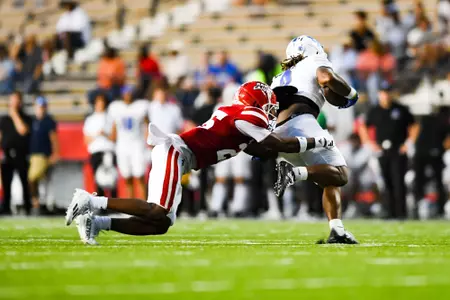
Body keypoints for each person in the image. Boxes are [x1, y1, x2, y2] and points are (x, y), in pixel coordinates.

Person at [65, 81, 334, 244]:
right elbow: (276, 144)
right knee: (157, 211)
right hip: (177, 151)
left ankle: (96, 223)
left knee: (160, 224)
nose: (271, 111)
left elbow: (263, 149)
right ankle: (90, 201)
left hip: (182, 156)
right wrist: (316, 142)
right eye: (269, 105)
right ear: (256, 103)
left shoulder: (239, 116)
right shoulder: (250, 115)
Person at [268, 35, 359, 244]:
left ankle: (337, 230)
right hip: (301, 122)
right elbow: (326, 78)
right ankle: (294, 173)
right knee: (341, 175)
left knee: (329, 178)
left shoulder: (281, 76)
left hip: (278, 133)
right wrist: (352, 94)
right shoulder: (314, 61)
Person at [359, 81, 418, 219]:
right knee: (386, 182)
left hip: (398, 150)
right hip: (382, 150)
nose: (385, 95)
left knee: (398, 181)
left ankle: (401, 213)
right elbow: (363, 126)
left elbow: (414, 125)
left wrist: (408, 143)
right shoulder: (375, 110)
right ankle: (389, 212)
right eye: (383, 92)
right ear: (380, 94)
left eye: (387, 92)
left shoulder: (401, 109)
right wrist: (370, 143)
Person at [107, 86, 149, 199]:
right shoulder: (116, 107)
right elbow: (114, 128)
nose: (128, 95)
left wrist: (148, 139)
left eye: (130, 93)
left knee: (140, 176)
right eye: (126, 93)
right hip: (123, 146)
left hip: (137, 145)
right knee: (127, 178)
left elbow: (147, 124)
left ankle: (144, 206)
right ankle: (131, 208)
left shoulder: (140, 106)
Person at [0, 91, 32, 215]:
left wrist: (14, 115)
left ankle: (27, 207)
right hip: (7, 154)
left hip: (21, 154)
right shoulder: (3, 119)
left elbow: (23, 130)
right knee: (6, 182)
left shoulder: (26, 118)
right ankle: (6, 207)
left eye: (17, 100)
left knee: (24, 181)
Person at [28, 96, 59, 212]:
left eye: (42, 106)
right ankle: (40, 203)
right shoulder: (33, 120)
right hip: (33, 155)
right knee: (42, 180)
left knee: (33, 178)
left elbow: (53, 138)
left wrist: (55, 153)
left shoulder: (48, 121)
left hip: (43, 155)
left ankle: (38, 202)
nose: (41, 109)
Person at [83, 93, 117, 198]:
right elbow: (87, 140)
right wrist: (97, 135)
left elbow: (114, 137)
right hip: (96, 152)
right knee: (99, 179)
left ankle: (114, 204)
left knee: (111, 180)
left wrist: (105, 135)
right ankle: (101, 205)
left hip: (108, 151)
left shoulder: (110, 118)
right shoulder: (90, 119)